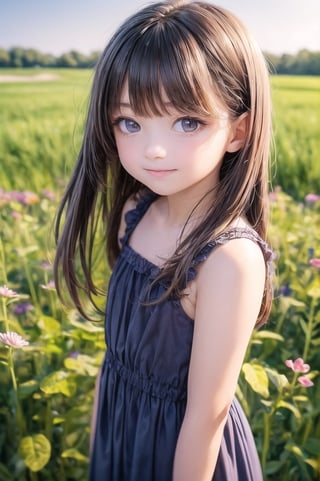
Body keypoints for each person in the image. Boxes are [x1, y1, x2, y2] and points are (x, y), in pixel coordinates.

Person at [54, 1, 274, 480]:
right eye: (129, 123)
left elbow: (205, 417)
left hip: (185, 458)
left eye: (187, 122)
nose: (153, 148)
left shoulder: (227, 259)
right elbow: (114, 364)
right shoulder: (135, 213)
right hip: (121, 439)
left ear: (239, 130)